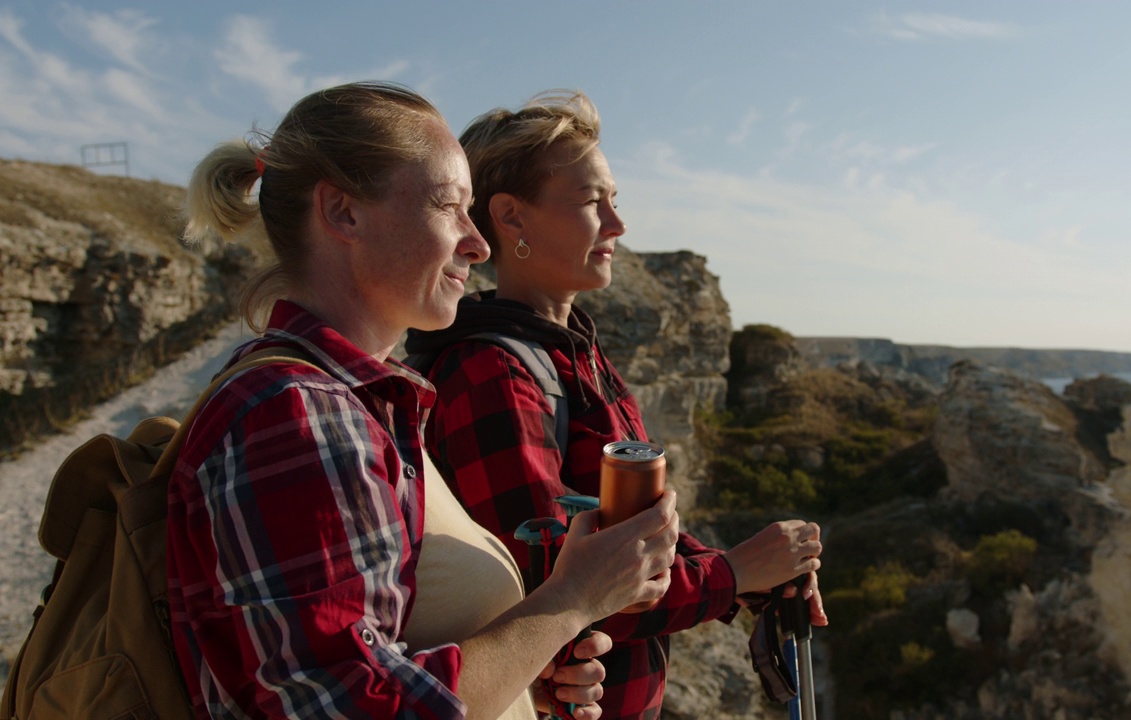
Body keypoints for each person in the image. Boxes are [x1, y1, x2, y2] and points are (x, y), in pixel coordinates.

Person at [168, 81, 681, 720]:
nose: (478, 242)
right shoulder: (299, 415)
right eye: (448, 207)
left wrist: (520, 670)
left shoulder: (365, 402)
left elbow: (390, 651)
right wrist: (573, 598)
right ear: (342, 212)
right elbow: (354, 709)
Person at [403, 90, 827, 719]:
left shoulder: (575, 354)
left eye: (614, 201)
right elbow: (551, 593)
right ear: (512, 218)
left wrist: (750, 576)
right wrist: (731, 575)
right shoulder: (495, 375)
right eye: (590, 202)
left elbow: (632, 534)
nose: (618, 225)